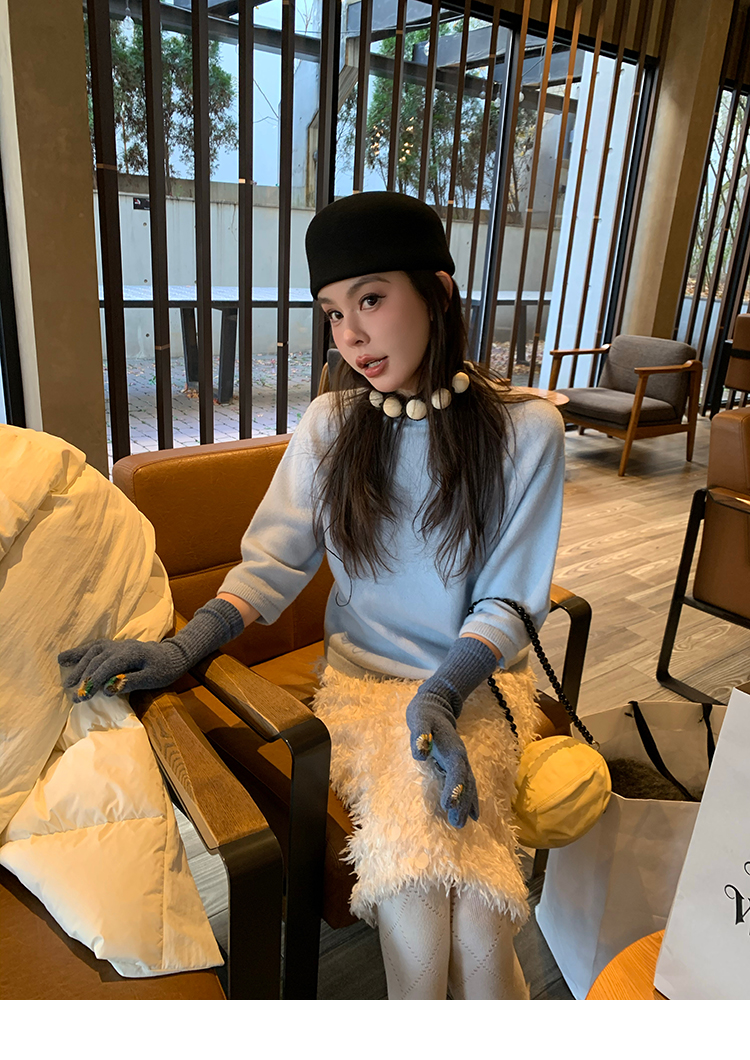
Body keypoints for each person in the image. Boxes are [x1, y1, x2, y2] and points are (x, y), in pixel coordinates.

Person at [59, 191, 565, 1000]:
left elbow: (508, 599)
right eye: (332, 312)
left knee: (478, 918)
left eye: (371, 300)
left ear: (437, 291)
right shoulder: (331, 424)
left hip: (475, 687)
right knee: (418, 904)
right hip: (364, 689)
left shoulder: (527, 429)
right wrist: (185, 646)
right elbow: (271, 564)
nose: (350, 335)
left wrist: (443, 690)